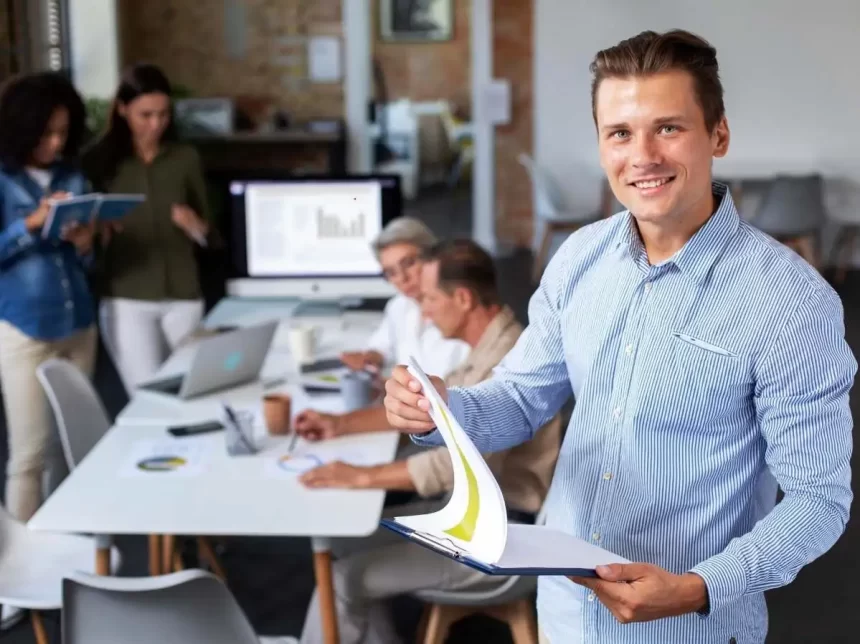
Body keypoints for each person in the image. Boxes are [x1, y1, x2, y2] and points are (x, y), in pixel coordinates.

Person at [383, 30, 857, 644]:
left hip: (688, 626)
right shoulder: (579, 258)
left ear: (718, 135)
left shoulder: (791, 302)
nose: (643, 157)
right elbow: (523, 398)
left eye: (669, 128)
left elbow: (819, 501)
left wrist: (697, 586)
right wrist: (442, 411)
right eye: (620, 133)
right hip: (565, 610)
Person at [297, 239, 562, 644]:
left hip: (501, 536)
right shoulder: (489, 346)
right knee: (344, 548)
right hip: (470, 515)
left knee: (340, 578)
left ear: (462, 298)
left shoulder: (505, 360)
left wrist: (361, 477)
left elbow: (449, 466)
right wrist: (340, 423)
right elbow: (424, 409)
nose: (423, 312)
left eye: (429, 299)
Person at [82, 64, 216, 393]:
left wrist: (196, 226)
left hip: (184, 294)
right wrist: (99, 231)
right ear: (123, 109)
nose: (156, 124)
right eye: (146, 115)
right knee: (147, 395)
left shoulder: (185, 158)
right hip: (127, 298)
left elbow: (211, 230)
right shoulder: (98, 162)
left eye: (163, 114)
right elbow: (82, 236)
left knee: (195, 390)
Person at [0, 72, 97, 523]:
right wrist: (31, 225)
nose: (56, 142)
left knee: (72, 448)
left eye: (63, 130)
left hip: (79, 324)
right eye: (47, 132)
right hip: (24, 330)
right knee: (29, 456)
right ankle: (15, 579)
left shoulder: (72, 176)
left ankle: (65, 546)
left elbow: (86, 263)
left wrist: (85, 243)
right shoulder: (3, 180)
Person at [339, 217, 469, 377]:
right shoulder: (399, 306)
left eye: (408, 263)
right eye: (391, 272)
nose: (402, 278)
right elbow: (382, 347)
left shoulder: (457, 308)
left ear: (433, 256)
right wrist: (370, 358)